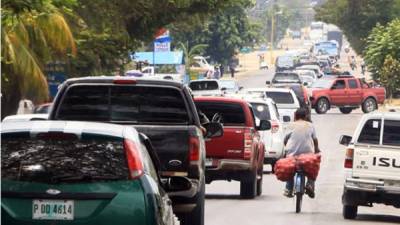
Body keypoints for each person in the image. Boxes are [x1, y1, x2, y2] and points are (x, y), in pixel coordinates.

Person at [283, 108, 321, 198]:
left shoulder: (291, 125)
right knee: (313, 168)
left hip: (292, 154)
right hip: (307, 155)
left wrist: (287, 149)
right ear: (306, 116)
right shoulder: (310, 125)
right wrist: (316, 149)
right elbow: (315, 140)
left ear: (295, 116)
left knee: (290, 169)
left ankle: (288, 189)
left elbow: (285, 139)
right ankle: (310, 185)